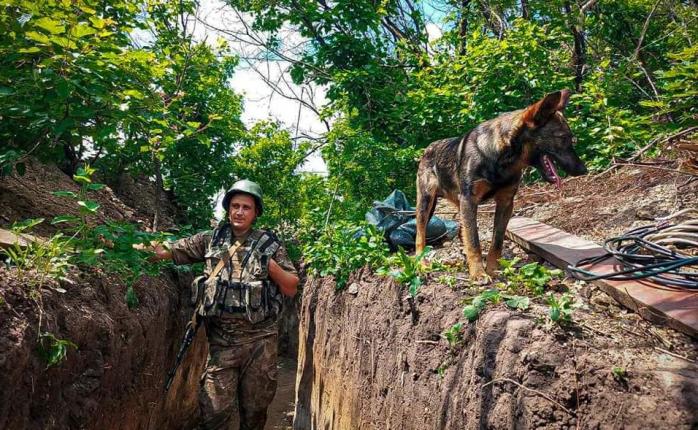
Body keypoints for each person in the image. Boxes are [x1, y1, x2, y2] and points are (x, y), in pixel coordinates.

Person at [145, 179, 299, 430]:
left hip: (260, 342)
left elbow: (291, 286)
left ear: (256, 212)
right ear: (228, 209)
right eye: (235, 206)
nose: (239, 212)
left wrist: (269, 264)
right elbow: (170, 251)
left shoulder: (269, 244)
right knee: (214, 413)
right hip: (221, 344)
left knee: (254, 412)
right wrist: (133, 246)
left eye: (246, 207)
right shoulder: (211, 239)